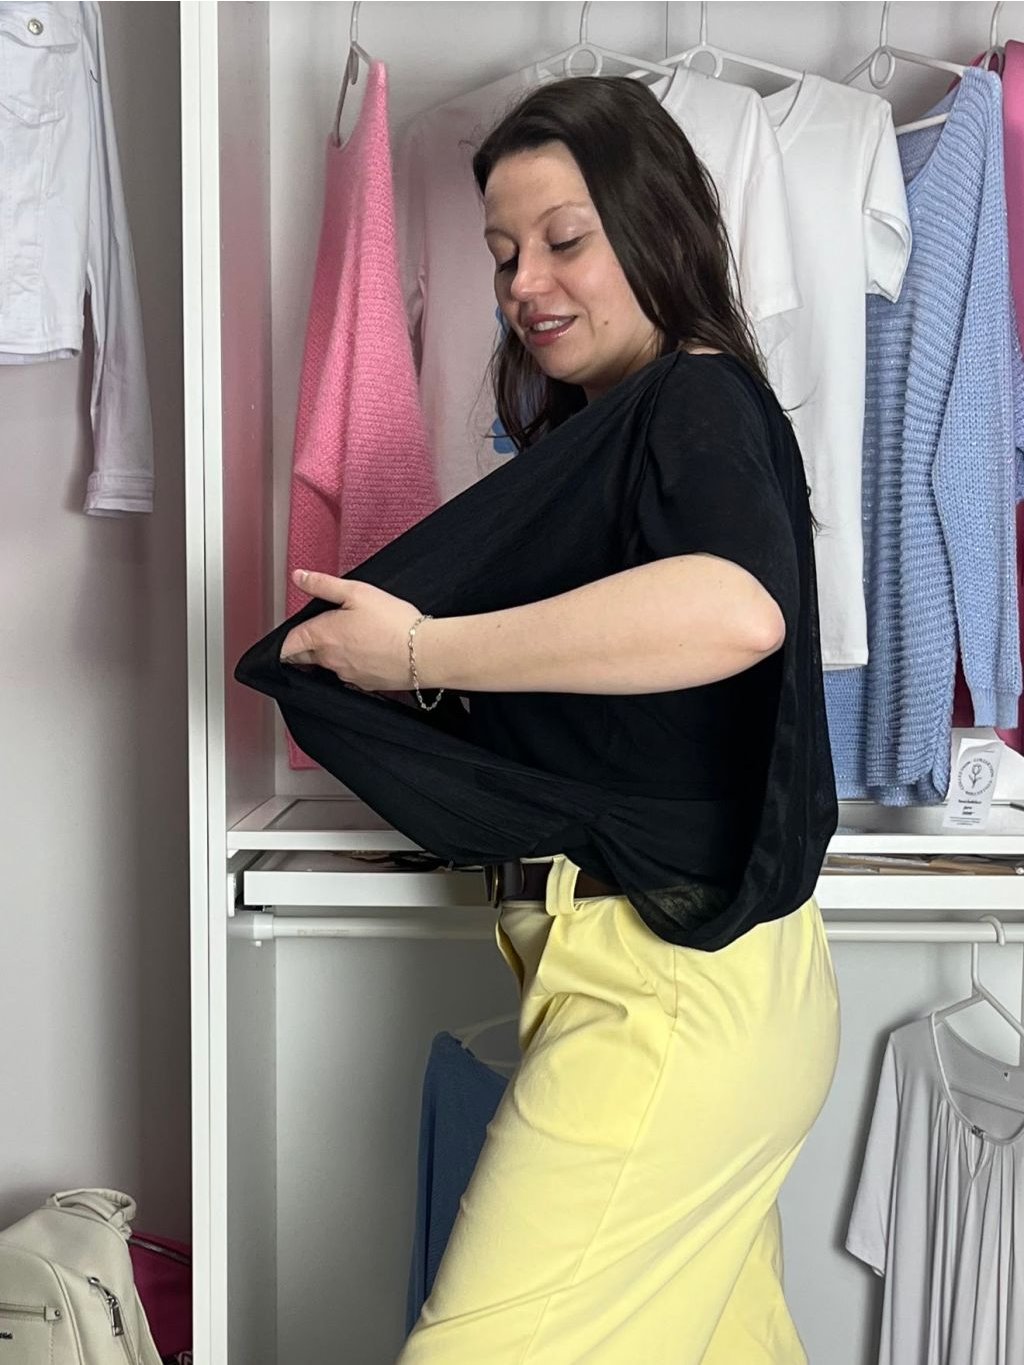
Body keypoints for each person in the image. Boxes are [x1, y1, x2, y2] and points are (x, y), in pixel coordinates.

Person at [275, 76, 840, 1363]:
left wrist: (417, 648)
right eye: (501, 253)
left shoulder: (692, 398)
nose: (525, 283)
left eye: (564, 239)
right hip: (709, 984)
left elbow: (734, 609)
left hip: (671, 992)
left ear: (655, 228)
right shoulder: (623, 428)